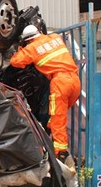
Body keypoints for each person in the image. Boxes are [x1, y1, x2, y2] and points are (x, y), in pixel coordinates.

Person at [9, 24, 80, 163]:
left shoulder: (32, 48)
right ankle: (50, 129)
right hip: (75, 81)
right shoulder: (55, 37)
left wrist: (21, 47)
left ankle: (61, 153)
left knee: (58, 118)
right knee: (57, 116)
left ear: (28, 40)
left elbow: (15, 61)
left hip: (60, 83)